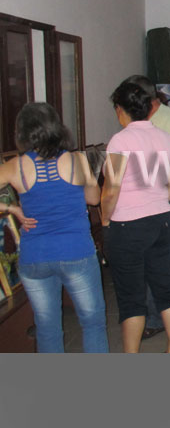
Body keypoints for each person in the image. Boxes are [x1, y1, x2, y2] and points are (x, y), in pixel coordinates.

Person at [0, 103, 108, 353]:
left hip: (35, 256)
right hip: (76, 253)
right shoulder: (77, 160)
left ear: (22, 132)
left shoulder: (16, 166)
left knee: (47, 328)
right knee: (92, 323)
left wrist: (11, 209)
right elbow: (94, 199)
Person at [101, 81, 170, 353]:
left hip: (127, 226)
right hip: (163, 219)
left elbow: (110, 190)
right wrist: (158, 200)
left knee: (131, 297)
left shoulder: (120, 140)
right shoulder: (165, 138)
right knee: (166, 287)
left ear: (120, 109)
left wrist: (105, 220)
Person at [120, 75, 170, 339]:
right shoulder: (149, 122)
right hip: (156, 198)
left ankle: (155, 316)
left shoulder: (167, 121)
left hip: (164, 198)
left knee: (155, 262)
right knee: (163, 260)